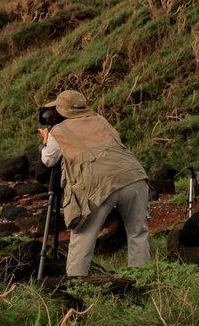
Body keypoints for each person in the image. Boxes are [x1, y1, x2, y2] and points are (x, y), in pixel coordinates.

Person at [39, 89, 150, 276]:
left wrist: (45, 141)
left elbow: (48, 160)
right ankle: (141, 283)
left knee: (83, 237)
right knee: (138, 233)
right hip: (133, 175)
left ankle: (76, 289)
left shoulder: (58, 131)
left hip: (99, 185)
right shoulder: (101, 120)